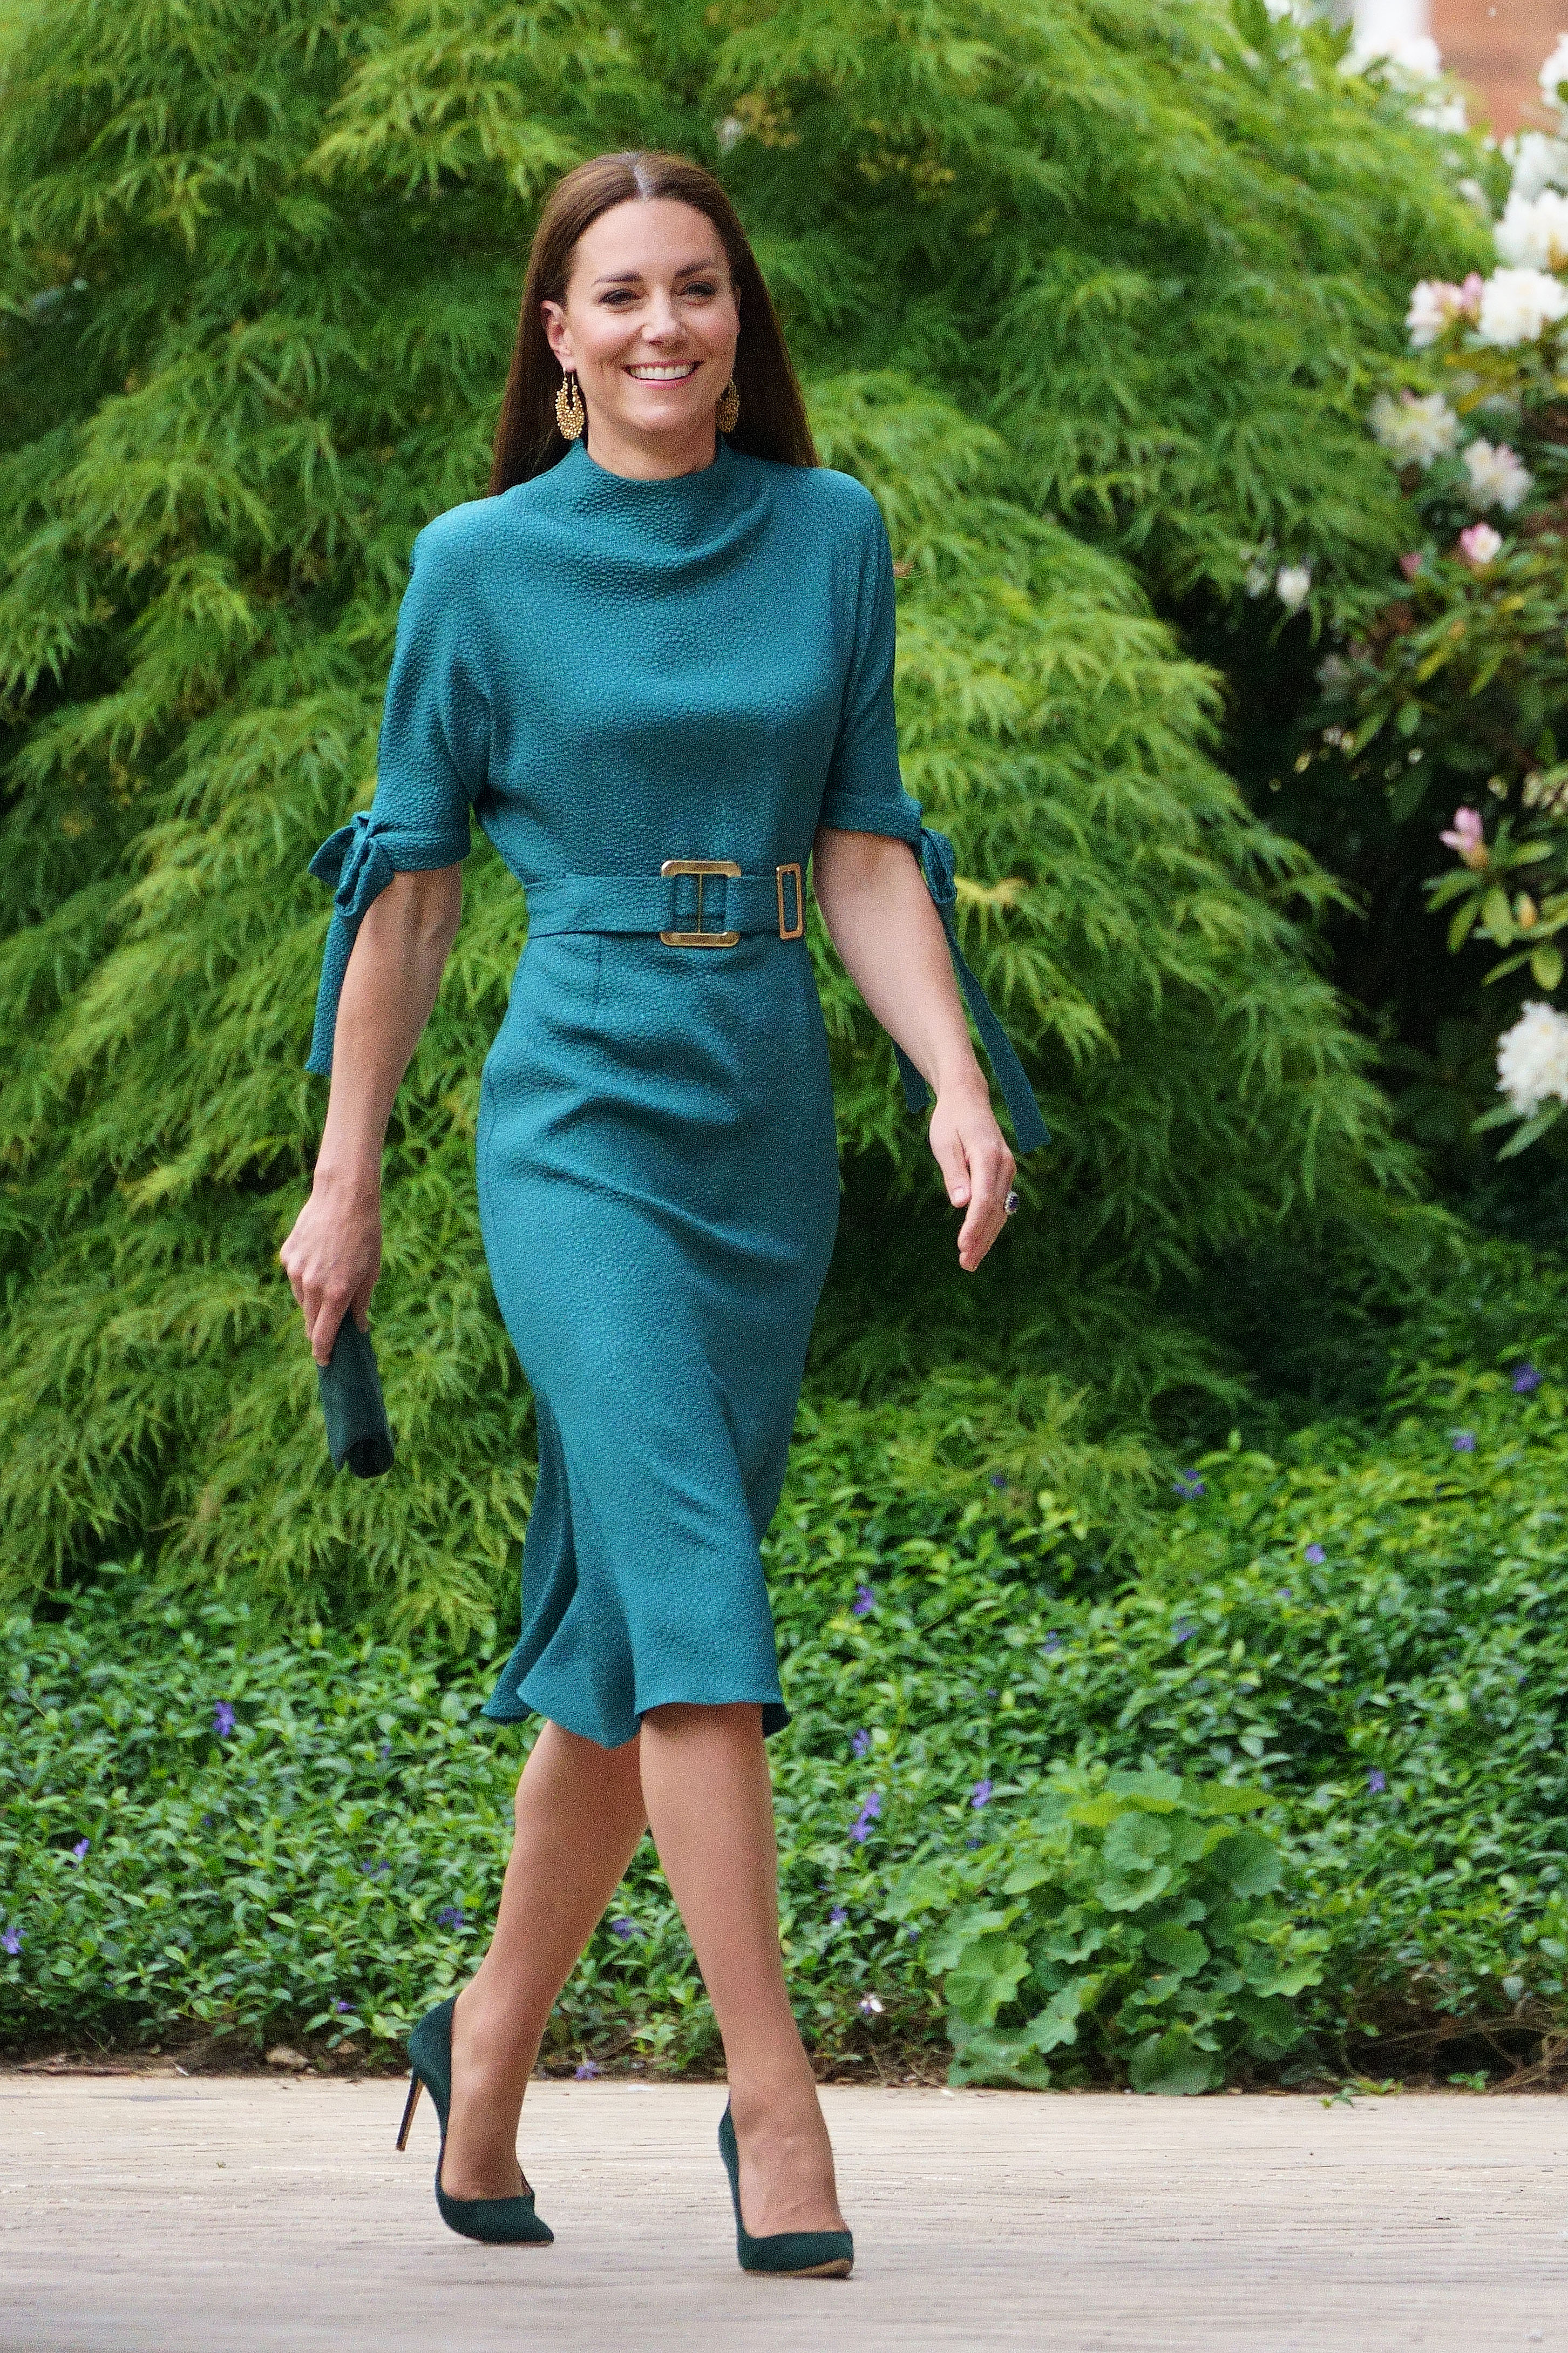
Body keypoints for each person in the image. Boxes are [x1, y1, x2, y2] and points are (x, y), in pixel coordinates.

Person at [280, 147, 1044, 2278]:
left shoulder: (829, 534)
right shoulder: (479, 565)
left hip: (761, 1117)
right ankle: (775, 2105)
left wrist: (951, 1082)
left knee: (624, 1646)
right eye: (615, 296)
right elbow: (412, 886)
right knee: (699, 1588)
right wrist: (347, 1185)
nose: (658, 329)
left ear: (739, 319)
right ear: (554, 336)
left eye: (695, 291)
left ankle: (485, 2051)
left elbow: (867, 841)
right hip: (580, 1119)